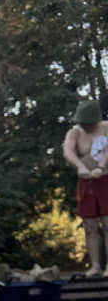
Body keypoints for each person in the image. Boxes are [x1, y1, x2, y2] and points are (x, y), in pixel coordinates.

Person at [63, 99, 108, 277]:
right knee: (89, 225)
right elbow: (68, 151)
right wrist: (80, 166)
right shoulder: (74, 132)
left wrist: (102, 167)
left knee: (107, 223)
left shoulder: (105, 127)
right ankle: (95, 265)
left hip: (105, 179)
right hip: (86, 182)